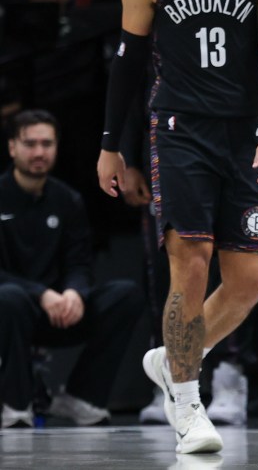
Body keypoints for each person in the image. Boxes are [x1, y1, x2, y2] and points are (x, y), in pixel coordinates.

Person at [95, 0, 258, 454]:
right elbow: (126, 66)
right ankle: (187, 405)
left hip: (245, 134)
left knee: (252, 280)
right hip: (178, 131)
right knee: (191, 260)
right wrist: (110, 147)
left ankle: (175, 354)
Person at [0, 109, 143, 428]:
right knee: (8, 297)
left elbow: (79, 262)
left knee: (126, 295)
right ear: (12, 147)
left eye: (47, 143)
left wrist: (75, 292)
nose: (39, 152)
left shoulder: (68, 201)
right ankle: (15, 403)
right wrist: (40, 294)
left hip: (60, 311)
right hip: (13, 310)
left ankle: (82, 397)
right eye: (30, 143)